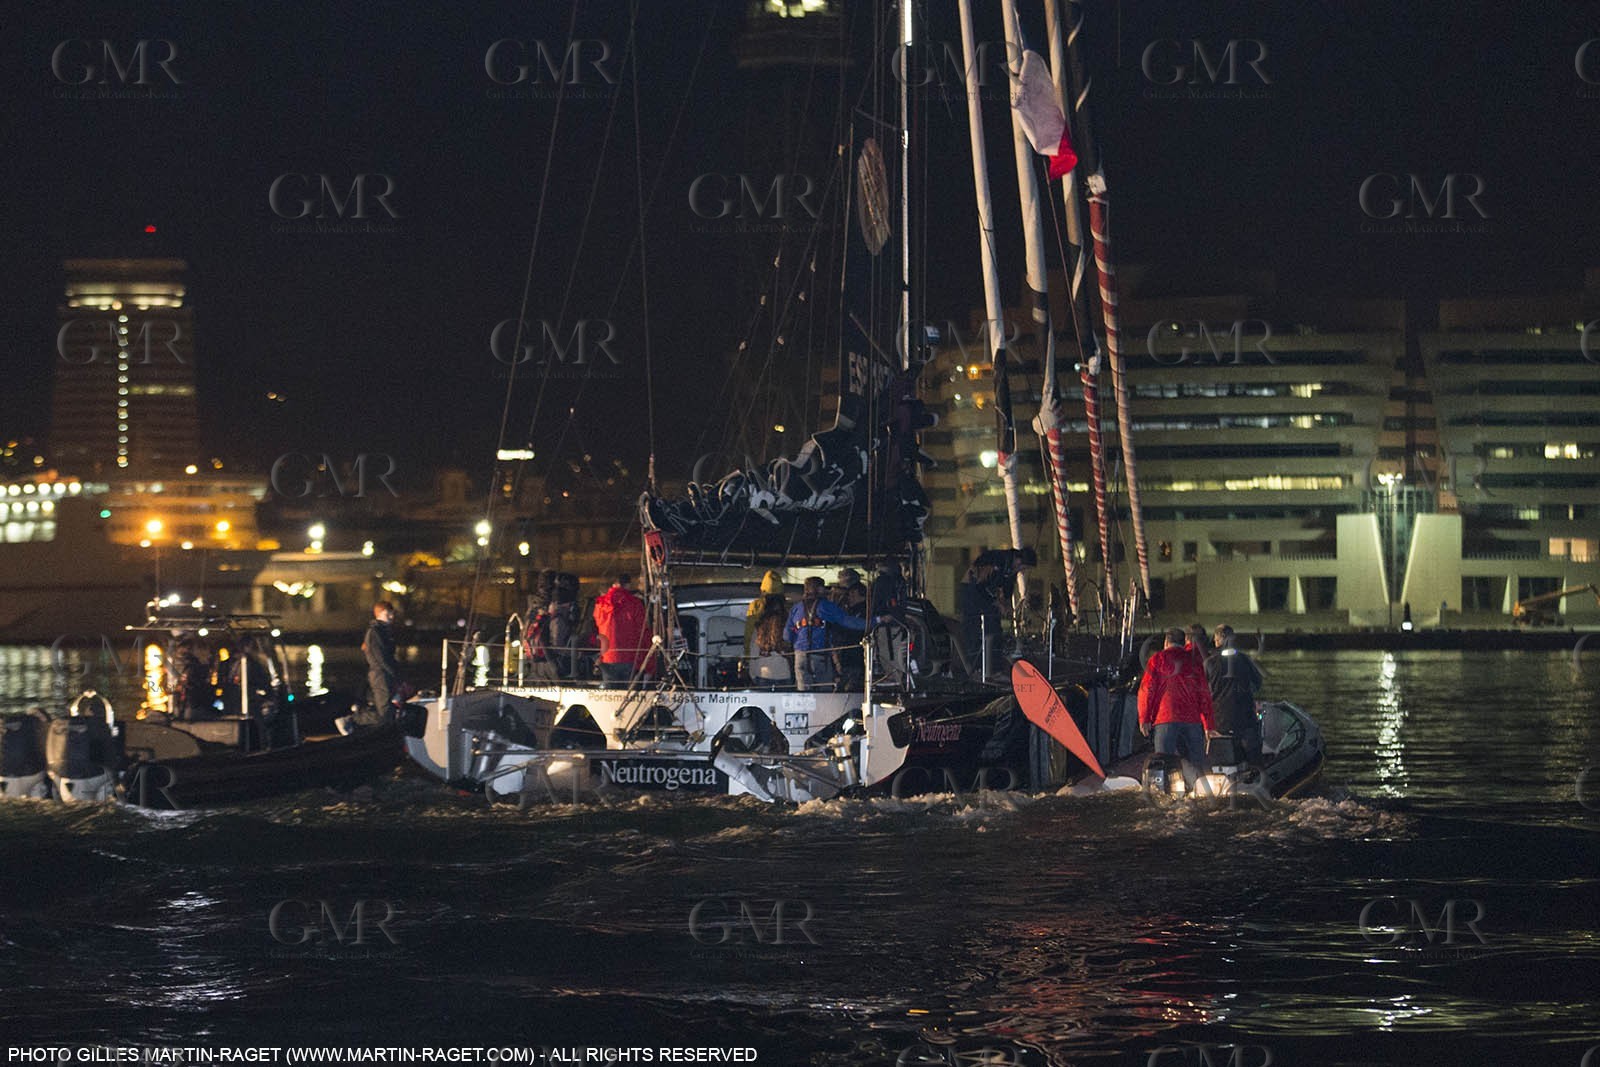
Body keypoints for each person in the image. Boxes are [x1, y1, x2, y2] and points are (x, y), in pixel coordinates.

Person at [1138, 627, 1217, 786]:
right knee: (1198, 766)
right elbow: (1204, 695)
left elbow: (1147, 691)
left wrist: (1145, 718)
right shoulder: (1194, 662)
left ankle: (1165, 797)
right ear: (1183, 643)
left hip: (1165, 719)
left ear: (1166, 642)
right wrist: (1208, 725)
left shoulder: (1157, 660)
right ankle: (1203, 796)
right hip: (1192, 721)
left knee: (1163, 764)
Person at [958, 547, 1035, 679]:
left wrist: (1007, 607)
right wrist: (999, 603)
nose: (1022, 571)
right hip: (972, 592)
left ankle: (994, 669)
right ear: (1018, 560)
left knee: (995, 629)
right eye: (1023, 567)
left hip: (987, 597)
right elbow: (982, 584)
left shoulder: (1010, 570)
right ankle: (974, 669)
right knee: (974, 630)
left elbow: (1007, 591)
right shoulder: (998, 559)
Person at [785, 576, 867, 691]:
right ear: (819, 589)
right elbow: (847, 621)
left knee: (804, 697)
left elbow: (787, 635)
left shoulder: (796, 608)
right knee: (825, 694)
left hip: (800, 657)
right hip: (820, 657)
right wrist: (874, 622)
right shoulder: (826, 606)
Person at [1206, 624, 1265, 765]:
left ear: (1219, 640)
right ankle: (1256, 776)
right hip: (1245, 718)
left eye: (1215, 640)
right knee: (1253, 754)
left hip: (1220, 720)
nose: (1214, 643)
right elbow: (1257, 683)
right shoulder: (1245, 660)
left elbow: (1203, 691)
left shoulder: (1209, 663)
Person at [593, 574, 652, 687]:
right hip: (630, 656)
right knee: (629, 694)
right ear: (628, 585)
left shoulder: (600, 604)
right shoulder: (635, 603)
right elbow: (642, 631)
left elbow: (598, 626)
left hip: (607, 656)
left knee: (611, 696)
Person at [362, 601, 404, 714]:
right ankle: (352, 720)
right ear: (379, 614)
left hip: (385, 674)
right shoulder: (375, 632)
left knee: (387, 709)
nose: (391, 617)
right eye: (387, 614)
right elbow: (381, 658)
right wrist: (394, 673)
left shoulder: (384, 631)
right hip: (380, 675)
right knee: (385, 710)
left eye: (392, 613)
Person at [830, 569, 868, 690]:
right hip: (847, 657)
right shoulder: (849, 610)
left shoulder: (864, 611)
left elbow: (851, 630)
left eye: (851, 594)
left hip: (856, 657)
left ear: (857, 593)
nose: (848, 597)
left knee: (850, 689)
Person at [744, 570, 786, 657]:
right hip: (783, 654)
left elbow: (749, 632)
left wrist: (747, 655)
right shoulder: (786, 607)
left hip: (761, 653)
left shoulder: (756, 606)